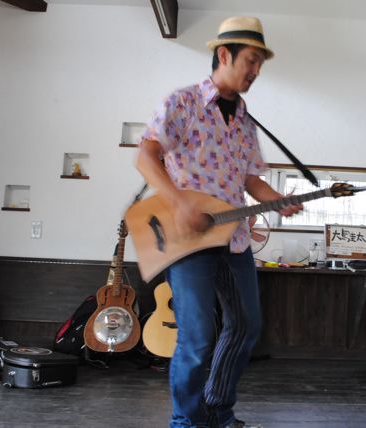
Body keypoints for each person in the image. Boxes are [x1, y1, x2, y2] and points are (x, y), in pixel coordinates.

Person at [136, 16, 302, 428]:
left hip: (235, 239)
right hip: (187, 239)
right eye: (251, 60)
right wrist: (179, 204)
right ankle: (186, 421)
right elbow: (146, 156)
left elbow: (250, 179)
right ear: (224, 55)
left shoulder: (245, 120)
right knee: (196, 338)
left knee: (245, 327)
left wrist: (278, 200)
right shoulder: (183, 102)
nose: (256, 70)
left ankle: (217, 409)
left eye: (260, 63)